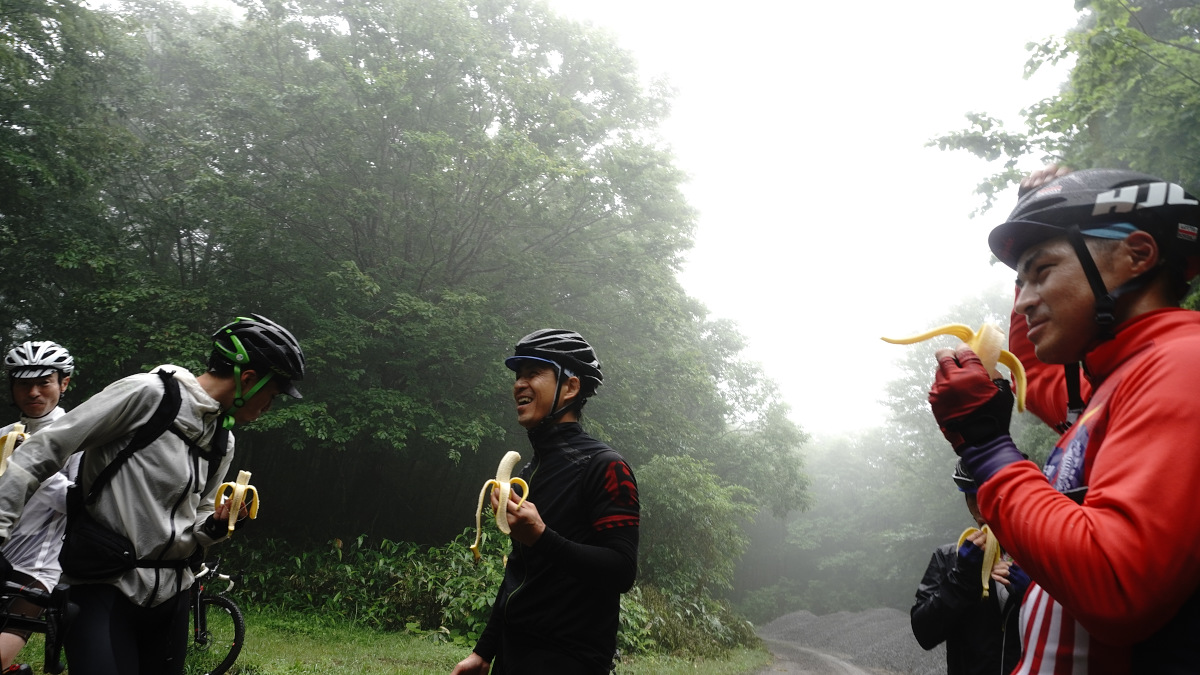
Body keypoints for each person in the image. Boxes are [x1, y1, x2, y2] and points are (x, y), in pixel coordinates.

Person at [926, 168, 1200, 672]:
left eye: (1042, 270)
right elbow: (1033, 370)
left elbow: (1119, 585)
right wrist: (1033, 216)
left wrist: (987, 450)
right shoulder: (1105, 390)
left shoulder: (1182, 364)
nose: (1025, 299)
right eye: (1018, 281)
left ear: (1137, 254)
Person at [0, 314, 305, 675]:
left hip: (172, 599)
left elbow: (199, 516)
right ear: (249, 379)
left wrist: (216, 525)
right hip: (104, 587)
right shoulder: (148, 394)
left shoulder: (223, 441)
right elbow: (42, 451)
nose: (270, 406)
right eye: (273, 394)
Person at [451, 329, 640, 675]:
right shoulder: (530, 470)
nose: (519, 385)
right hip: (512, 657)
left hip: (570, 662)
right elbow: (520, 570)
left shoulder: (606, 466)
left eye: (533, 373)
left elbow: (622, 570)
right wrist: (485, 651)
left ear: (570, 386)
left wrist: (541, 536)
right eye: (517, 375)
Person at [0, 341, 79, 674]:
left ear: (63, 383)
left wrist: (32, 462)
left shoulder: (79, 439)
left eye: (43, 382)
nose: (33, 392)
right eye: (23, 383)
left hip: (36, 570)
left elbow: (78, 505)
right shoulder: (4, 435)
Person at [910, 459, 1028, 675]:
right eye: (972, 498)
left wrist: (1033, 594)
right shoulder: (949, 558)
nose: (980, 508)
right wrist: (961, 579)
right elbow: (923, 633)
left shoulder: (1041, 557)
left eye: (990, 496)